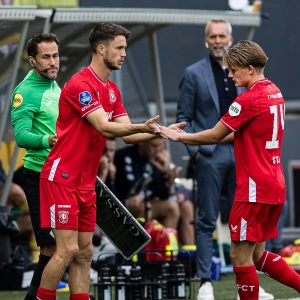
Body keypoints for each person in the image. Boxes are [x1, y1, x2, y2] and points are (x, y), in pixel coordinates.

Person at [36, 23, 183, 300]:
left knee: (85, 253)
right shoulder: (81, 84)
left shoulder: (112, 90)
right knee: (66, 250)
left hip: (86, 183)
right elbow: (105, 127)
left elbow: (127, 133)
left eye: (124, 48)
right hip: (61, 178)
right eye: (119, 48)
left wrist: (160, 132)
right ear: (101, 49)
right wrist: (145, 127)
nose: (124, 54)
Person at [160, 40, 300, 300]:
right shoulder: (275, 92)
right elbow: (236, 134)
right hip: (274, 184)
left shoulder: (247, 99)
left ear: (249, 68)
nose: (230, 74)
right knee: (257, 256)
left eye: (234, 70)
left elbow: (215, 135)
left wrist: (179, 137)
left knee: (239, 255)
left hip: (253, 189)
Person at [176, 19, 273, 300]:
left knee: (248, 220)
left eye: (222, 35)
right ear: (206, 40)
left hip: (247, 156)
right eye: (212, 36)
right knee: (206, 219)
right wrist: (196, 153)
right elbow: (183, 117)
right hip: (210, 154)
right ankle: (206, 280)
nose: (217, 40)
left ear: (230, 39)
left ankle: (253, 279)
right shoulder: (193, 73)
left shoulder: (249, 71)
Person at [10, 33, 64, 300]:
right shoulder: (24, 92)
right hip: (38, 176)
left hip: (61, 176)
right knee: (50, 247)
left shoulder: (56, 87)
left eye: (55, 55)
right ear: (32, 60)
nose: (53, 62)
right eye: (46, 57)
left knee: (69, 247)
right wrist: (48, 140)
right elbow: (21, 137)